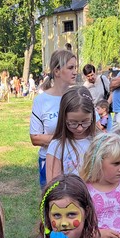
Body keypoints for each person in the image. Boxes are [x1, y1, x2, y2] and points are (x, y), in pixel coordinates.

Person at [30, 50, 78, 187]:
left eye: (75, 67)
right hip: (50, 160)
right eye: (70, 68)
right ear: (57, 71)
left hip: (77, 160)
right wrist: (66, 138)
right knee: (53, 198)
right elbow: (35, 138)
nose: (75, 72)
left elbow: (96, 128)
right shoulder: (41, 100)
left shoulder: (79, 96)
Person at [45, 87, 96, 184]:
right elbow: (53, 184)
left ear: (92, 116)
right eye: (73, 123)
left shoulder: (99, 142)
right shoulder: (57, 146)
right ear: (63, 118)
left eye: (85, 121)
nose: (79, 128)